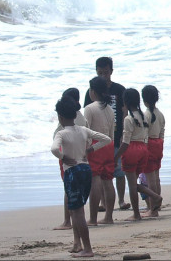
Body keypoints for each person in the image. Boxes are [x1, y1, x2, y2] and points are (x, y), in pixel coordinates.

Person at [52, 95, 112, 258]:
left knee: (77, 213)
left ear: (60, 117)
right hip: (86, 169)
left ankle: (87, 248)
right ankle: (79, 244)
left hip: (72, 172)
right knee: (77, 210)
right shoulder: (84, 130)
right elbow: (106, 139)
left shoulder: (62, 133)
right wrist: (90, 150)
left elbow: (54, 149)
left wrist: (63, 157)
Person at [82, 56, 127, 211]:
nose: (103, 76)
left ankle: (121, 201)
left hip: (114, 138)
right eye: (100, 72)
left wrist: (124, 135)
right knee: (103, 176)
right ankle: (103, 203)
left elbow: (125, 113)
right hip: (100, 141)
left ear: (111, 71)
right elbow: (86, 119)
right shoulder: (90, 92)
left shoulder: (119, 90)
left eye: (106, 72)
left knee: (118, 171)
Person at [113, 88, 162, 220]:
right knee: (134, 183)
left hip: (131, 151)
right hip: (143, 149)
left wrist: (116, 157)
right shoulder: (144, 116)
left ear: (125, 102)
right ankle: (155, 196)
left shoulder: (129, 119)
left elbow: (126, 142)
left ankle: (136, 213)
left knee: (132, 184)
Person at [82, 77, 116, 226]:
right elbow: (111, 132)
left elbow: (86, 131)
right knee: (108, 181)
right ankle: (109, 216)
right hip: (108, 144)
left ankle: (93, 218)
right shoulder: (109, 108)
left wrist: (85, 149)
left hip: (95, 145)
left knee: (95, 180)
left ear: (93, 91)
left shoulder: (89, 108)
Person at [54, 88, 87, 232]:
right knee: (76, 188)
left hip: (67, 155)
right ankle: (73, 219)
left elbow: (56, 143)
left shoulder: (65, 120)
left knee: (68, 188)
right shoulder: (81, 118)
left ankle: (68, 220)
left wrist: (62, 157)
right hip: (80, 154)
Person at [140, 85, 164, 216]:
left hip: (149, 144)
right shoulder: (160, 114)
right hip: (158, 144)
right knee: (155, 176)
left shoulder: (146, 115)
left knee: (149, 179)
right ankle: (156, 206)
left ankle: (153, 208)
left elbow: (144, 133)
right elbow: (162, 132)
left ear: (144, 100)